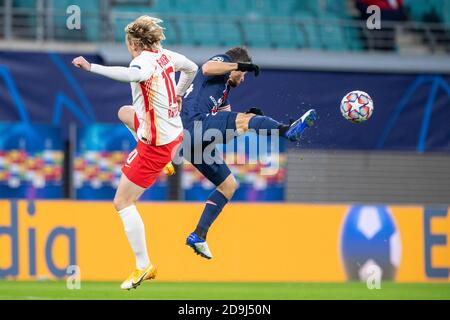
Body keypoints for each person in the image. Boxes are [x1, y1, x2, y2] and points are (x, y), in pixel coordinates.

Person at [72, 16, 198, 289]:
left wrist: (91, 67)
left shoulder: (141, 61)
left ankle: (144, 265)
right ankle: (164, 162)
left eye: (127, 42)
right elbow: (192, 68)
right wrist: (178, 94)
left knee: (122, 202)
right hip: (172, 133)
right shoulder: (164, 56)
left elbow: (132, 74)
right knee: (125, 113)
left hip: (156, 146)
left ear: (133, 43)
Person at [181, 47, 317, 259]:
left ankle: (199, 235)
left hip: (191, 142)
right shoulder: (224, 62)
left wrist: (250, 120)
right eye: (243, 75)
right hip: (193, 124)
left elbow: (228, 130)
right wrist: (238, 65)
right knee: (245, 121)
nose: (243, 79)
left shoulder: (222, 96)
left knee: (229, 185)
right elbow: (206, 67)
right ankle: (287, 130)